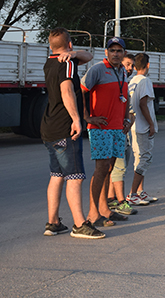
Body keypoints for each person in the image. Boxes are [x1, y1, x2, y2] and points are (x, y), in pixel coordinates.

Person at [41, 28, 105, 239]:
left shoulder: (51, 62)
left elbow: (89, 56)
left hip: (49, 127)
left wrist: (75, 54)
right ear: (68, 44)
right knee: (75, 176)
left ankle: (53, 222)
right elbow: (66, 90)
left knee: (57, 175)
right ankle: (79, 224)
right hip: (64, 128)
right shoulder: (66, 64)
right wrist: (77, 120)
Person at [81, 36, 133, 228]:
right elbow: (82, 91)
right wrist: (87, 117)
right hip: (101, 128)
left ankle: (104, 209)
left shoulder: (123, 72)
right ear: (106, 52)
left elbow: (124, 97)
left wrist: (126, 119)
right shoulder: (97, 70)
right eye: (112, 50)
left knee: (109, 168)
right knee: (101, 168)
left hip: (117, 127)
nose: (116, 54)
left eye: (119, 51)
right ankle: (93, 213)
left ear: (124, 53)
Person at [107, 53, 140, 214]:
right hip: (115, 130)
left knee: (117, 166)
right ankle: (120, 201)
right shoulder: (114, 81)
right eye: (127, 64)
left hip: (123, 130)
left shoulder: (124, 82)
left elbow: (130, 111)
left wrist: (128, 122)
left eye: (132, 65)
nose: (130, 68)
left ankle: (110, 198)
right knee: (118, 167)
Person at [126, 53, 159, 205]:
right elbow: (143, 103)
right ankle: (133, 193)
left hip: (134, 125)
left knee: (139, 158)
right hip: (142, 126)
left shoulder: (132, 80)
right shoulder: (145, 81)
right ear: (148, 65)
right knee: (145, 158)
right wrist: (151, 123)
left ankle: (140, 191)